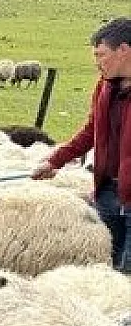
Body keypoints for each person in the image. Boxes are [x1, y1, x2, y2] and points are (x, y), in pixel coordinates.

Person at [31, 17, 131, 273]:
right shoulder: (105, 88)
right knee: (106, 270)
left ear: (124, 50)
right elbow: (91, 131)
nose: (97, 62)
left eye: (101, 55)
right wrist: (55, 160)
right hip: (108, 191)